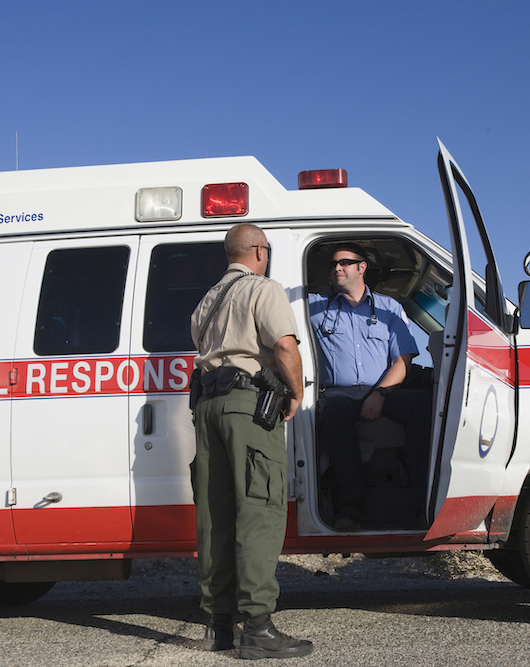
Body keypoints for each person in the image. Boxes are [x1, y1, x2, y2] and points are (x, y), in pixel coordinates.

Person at [189, 223, 313, 660]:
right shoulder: (264, 289)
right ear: (259, 251)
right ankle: (258, 627)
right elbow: (283, 346)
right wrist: (297, 392)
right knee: (259, 512)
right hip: (247, 408)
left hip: (206, 409)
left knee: (216, 517)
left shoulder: (206, 302)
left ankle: (219, 626)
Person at [309, 243, 432, 531]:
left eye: (344, 262)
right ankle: (351, 507)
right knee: (334, 412)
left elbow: (403, 362)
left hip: (383, 392)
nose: (336, 268)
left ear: (361, 267)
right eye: (333, 264)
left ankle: (423, 504)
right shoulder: (316, 308)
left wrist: (380, 394)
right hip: (339, 395)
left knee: (423, 405)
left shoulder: (390, 309)